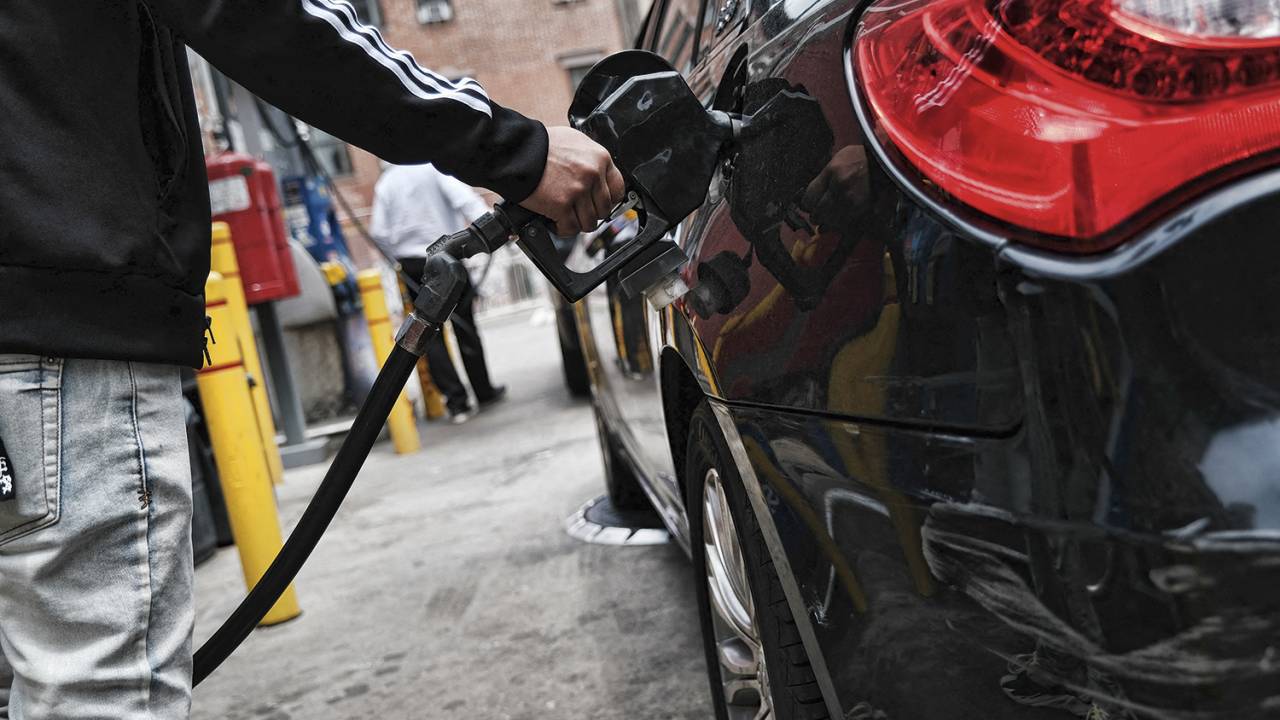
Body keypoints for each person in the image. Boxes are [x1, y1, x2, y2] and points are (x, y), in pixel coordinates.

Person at [0, 3, 623, 718]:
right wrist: (515, 148)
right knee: (98, 691)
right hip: (61, 334)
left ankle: (459, 392)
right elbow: (260, 15)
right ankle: (467, 391)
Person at [371, 163, 507, 423]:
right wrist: (494, 232)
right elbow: (466, 201)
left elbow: (378, 232)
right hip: (447, 257)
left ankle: (456, 403)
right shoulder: (434, 168)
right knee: (465, 324)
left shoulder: (387, 182)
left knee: (428, 333)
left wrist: (397, 258)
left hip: (411, 264)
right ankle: (483, 391)